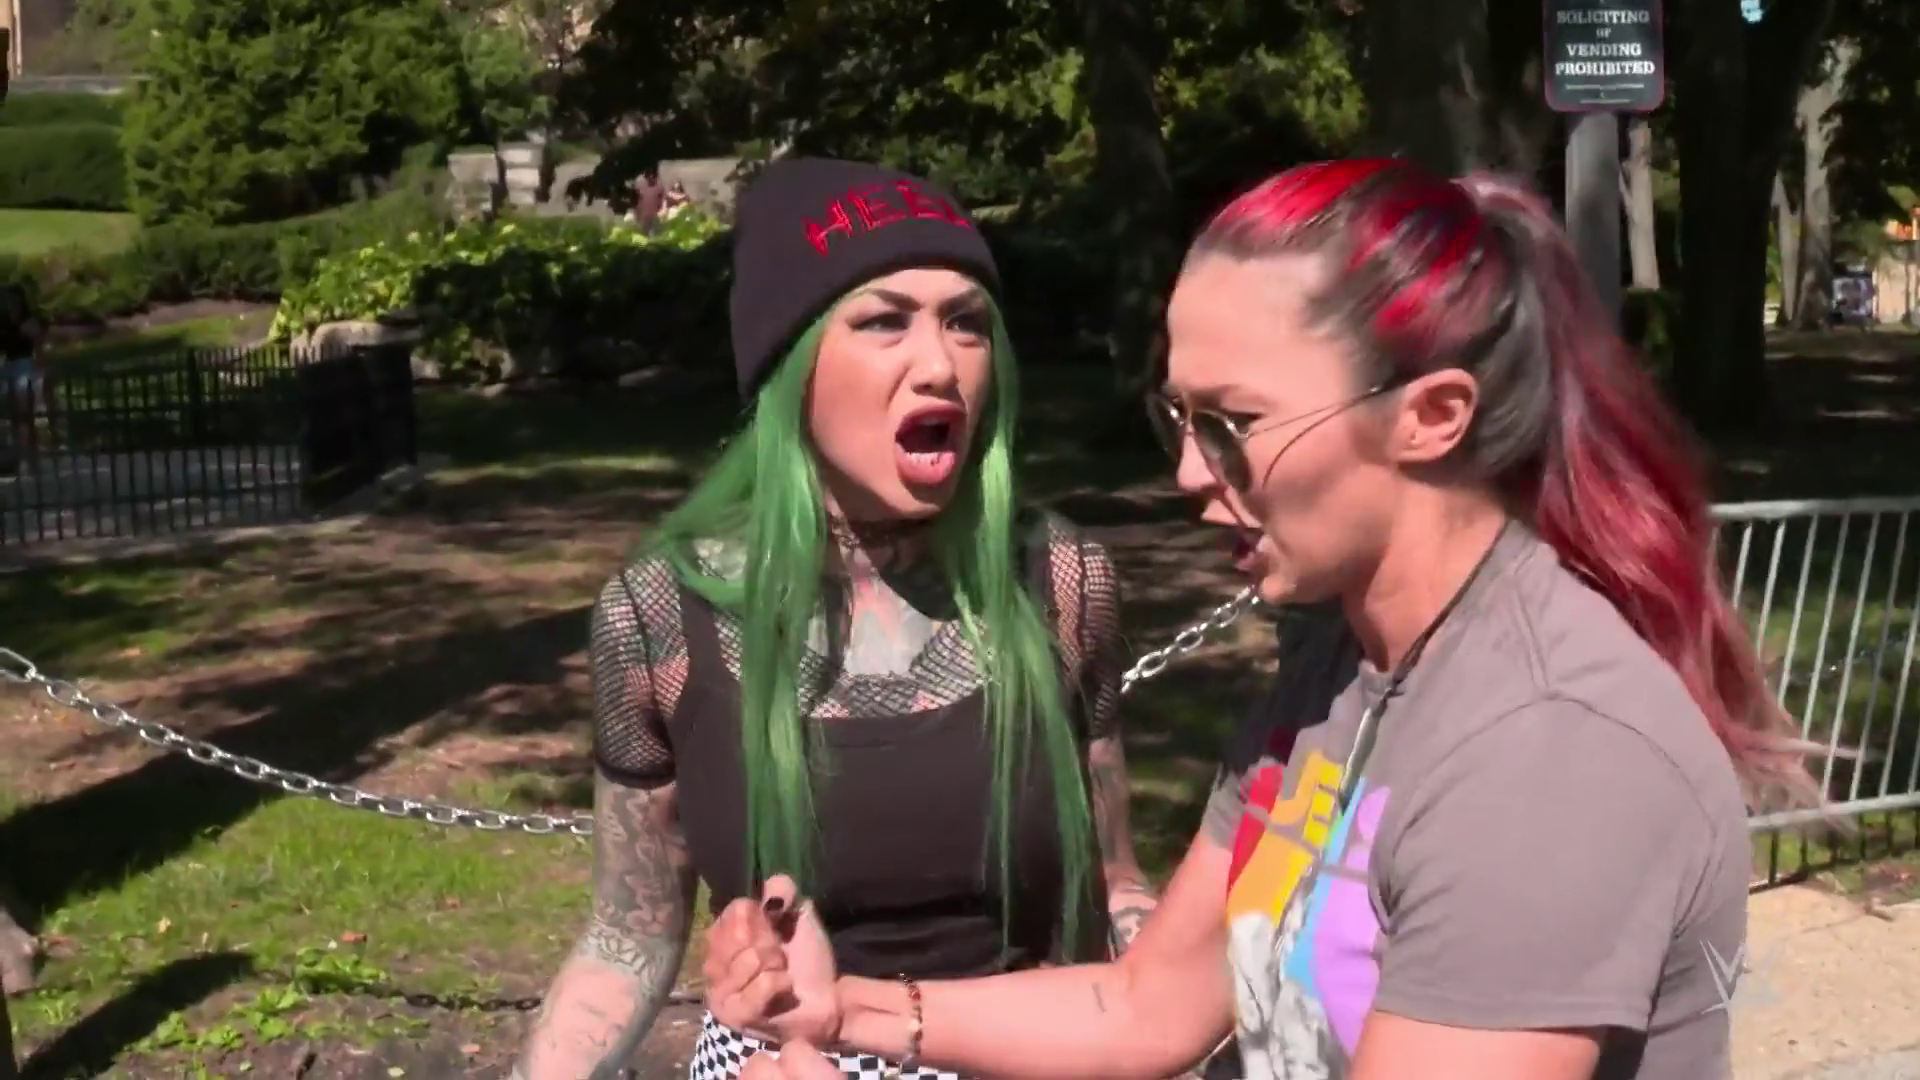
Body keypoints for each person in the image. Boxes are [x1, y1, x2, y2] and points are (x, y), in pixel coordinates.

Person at [702, 158, 1818, 1080]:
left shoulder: (1548, 755)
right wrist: (846, 1012)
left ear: (1431, 417)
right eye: (1178, 416)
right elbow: (1147, 1006)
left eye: (1233, 425)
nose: (1191, 473)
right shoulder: (1336, 665)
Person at [511, 158, 1163, 1080]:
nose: (939, 365)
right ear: (792, 365)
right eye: (884, 321)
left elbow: (1114, 883)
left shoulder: (1057, 584)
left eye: (966, 323)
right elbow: (627, 937)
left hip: (1017, 1048)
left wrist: (1196, 1009)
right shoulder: (659, 617)